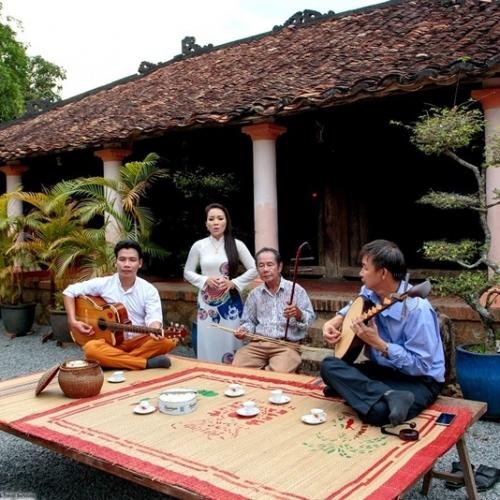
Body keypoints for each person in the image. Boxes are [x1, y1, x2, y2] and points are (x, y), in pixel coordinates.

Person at [320, 239, 445, 427]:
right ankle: (386, 394)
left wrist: (379, 344)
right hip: (383, 371)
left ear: (383, 272)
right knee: (329, 366)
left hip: (419, 380)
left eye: (364, 268)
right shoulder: (370, 291)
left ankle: (363, 393)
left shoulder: (418, 310)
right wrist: (336, 320)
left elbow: (421, 365)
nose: (360, 274)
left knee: (378, 414)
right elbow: (358, 303)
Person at [63, 240, 177, 370]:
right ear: (115, 262)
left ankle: (113, 361)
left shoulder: (149, 290)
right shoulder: (104, 284)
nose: (127, 264)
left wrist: (154, 328)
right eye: (122, 259)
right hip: (110, 343)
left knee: (168, 341)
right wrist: (72, 321)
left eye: (132, 260)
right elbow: (69, 292)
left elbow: (154, 318)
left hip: (138, 340)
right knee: (91, 350)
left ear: (140, 263)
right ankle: (145, 363)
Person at [183, 203, 257, 363]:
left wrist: (233, 283)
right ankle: (208, 372)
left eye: (220, 218)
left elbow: (254, 269)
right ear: (206, 224)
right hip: (207, 304)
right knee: (208, 339)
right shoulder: (199, 246)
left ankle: (234, 374)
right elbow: (187, 272)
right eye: (211, 219)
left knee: (231, 338)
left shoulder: (237, 245)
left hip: (230, 303)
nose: (216, 222)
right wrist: (205, 280)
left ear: (226, 221)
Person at [233, 247, 315, 373]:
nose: (265, 269)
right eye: (261, 265)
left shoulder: (296, 290)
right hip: (259, 344)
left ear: (279, 267)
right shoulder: (255, 294)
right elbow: (249, 322)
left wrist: (298, 314)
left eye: (270, 264)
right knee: (237, 368)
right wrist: (244, 330)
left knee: (278, 373)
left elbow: (310, 319)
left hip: (286, 345)